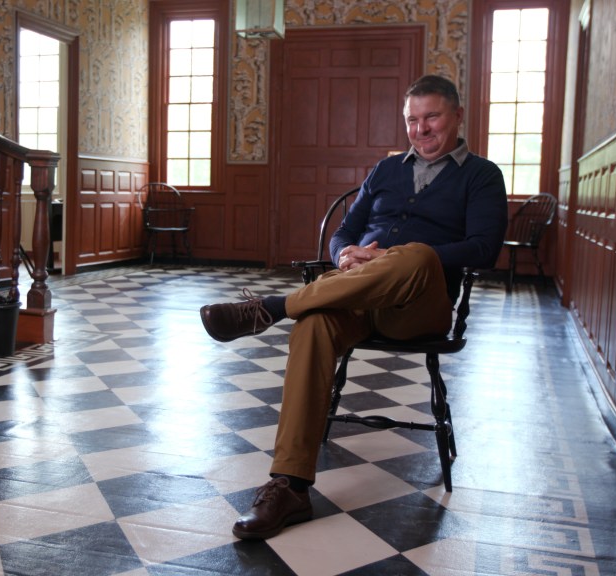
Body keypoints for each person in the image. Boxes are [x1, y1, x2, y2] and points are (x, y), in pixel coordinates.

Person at [200, 74, 508, 540]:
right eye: (412, 120)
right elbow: (345, 231)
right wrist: (345, 254)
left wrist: (394, 258)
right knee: (314, 324)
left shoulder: (482, 175)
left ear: (458, 116)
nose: (420, 129)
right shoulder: (385, 170)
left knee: (417, 254)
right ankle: (290, 485)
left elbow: (484, 249)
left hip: (419, 305)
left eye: (432, 117)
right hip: (357, 295)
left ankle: (273, 306)